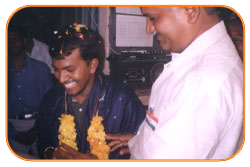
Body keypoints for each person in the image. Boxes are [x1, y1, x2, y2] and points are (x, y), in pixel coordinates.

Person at [106, 7, 243, 159]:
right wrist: (140, 141)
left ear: (191, 12)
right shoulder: (196, 62)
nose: (148, 29)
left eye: (153, 18)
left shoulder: (206, 82)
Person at [36, 23, 145, 159]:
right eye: (57, 70)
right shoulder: (52, 99)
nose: (61, 79)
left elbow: (145, 154)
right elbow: (42, 143)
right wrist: (52, 154)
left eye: (69, 70)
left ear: (92, 65)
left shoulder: (122, 101)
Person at [8, 26, 53, 159]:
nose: (11, 44)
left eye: (15, 40)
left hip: (38, 125)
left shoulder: (40, 69)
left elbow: (49, 105)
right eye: (7, 40)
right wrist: (13, 134)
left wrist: (37, 129)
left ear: (24, 40)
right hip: (11, 127)